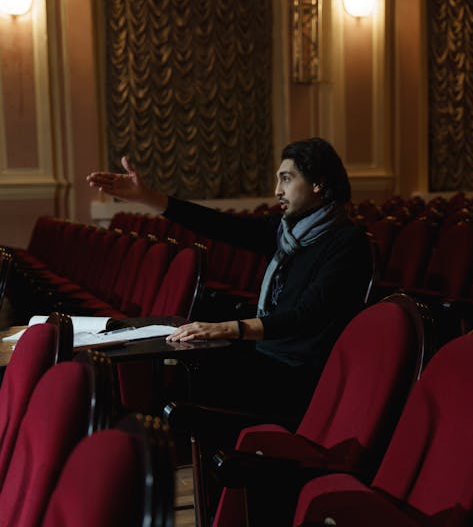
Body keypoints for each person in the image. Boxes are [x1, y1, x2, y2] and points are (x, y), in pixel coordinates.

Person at [87, 137, 372, 424]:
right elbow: (220, 225)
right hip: (268, 353)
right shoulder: (286, 232)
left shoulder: (348, 243)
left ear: (318, 183)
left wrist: (226, 329)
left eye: (286, 179)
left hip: (300, 371)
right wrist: (147, 197)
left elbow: (305, 316)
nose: (277, 191)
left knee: (192, 380)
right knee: (185, 367)